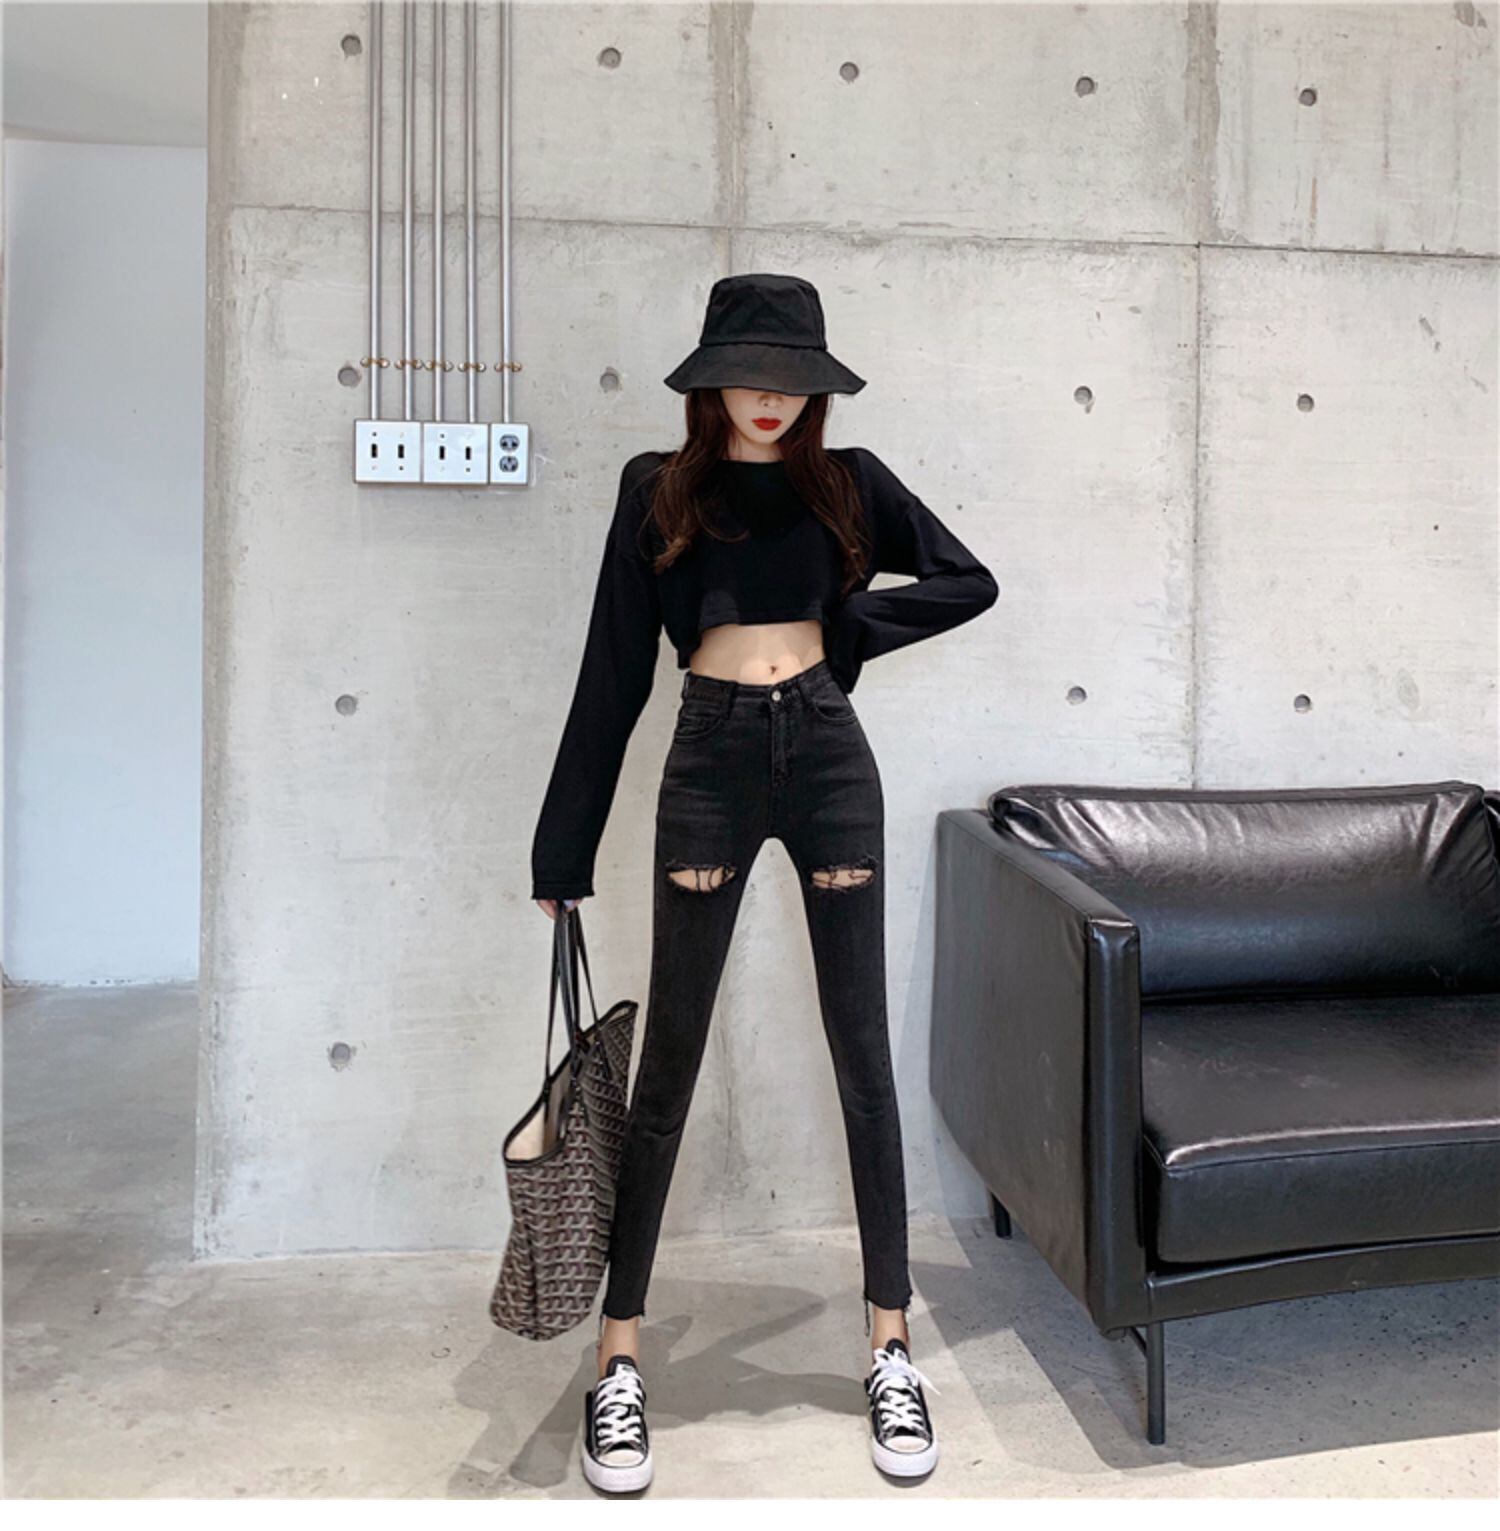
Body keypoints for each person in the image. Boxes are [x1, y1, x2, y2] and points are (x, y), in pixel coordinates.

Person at [529, 273, 999, 1492]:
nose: (770, 397)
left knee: (862, 1057)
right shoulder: (659, 489)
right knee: (669, 1069)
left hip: (832, 759)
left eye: (791, 378)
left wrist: (847, 634)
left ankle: (889, 1346)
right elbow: (614, 668)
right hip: (711, 760)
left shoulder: (851, 485)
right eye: (749, 374)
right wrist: (563, 848)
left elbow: (967, 580)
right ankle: (618, 1360)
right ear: (709, 382)